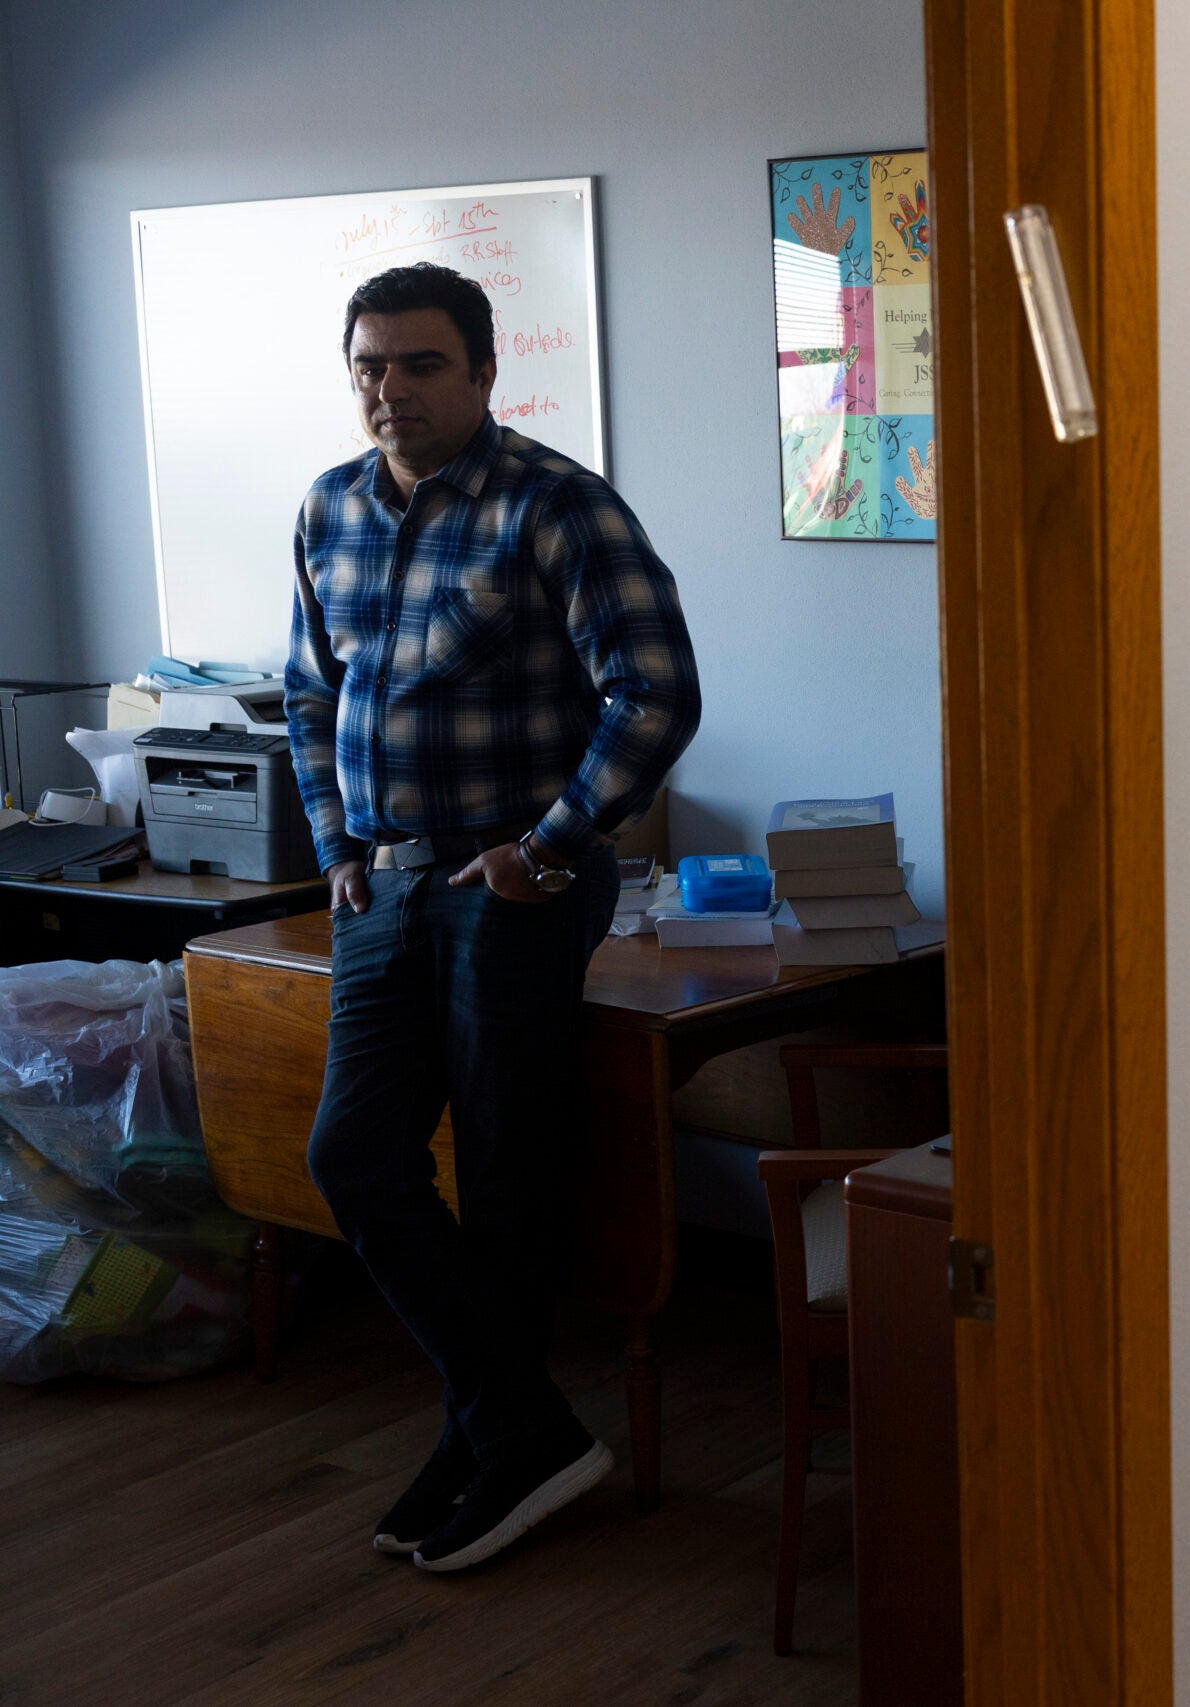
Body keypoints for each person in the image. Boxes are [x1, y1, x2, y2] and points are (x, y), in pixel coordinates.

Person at [284, 262, 701, 1573]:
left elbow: (656, 694)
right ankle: (516, 1427)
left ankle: (496, 1442)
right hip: (380, 888)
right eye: (369, 365)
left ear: (480, 371)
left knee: (512, 1182)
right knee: (352, 1155)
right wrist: (338, 843)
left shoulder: (556, 506)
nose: (389, 390)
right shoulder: (331, 508)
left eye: (419, 365)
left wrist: (553, 845)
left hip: (509, 888)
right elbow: (307, 693)